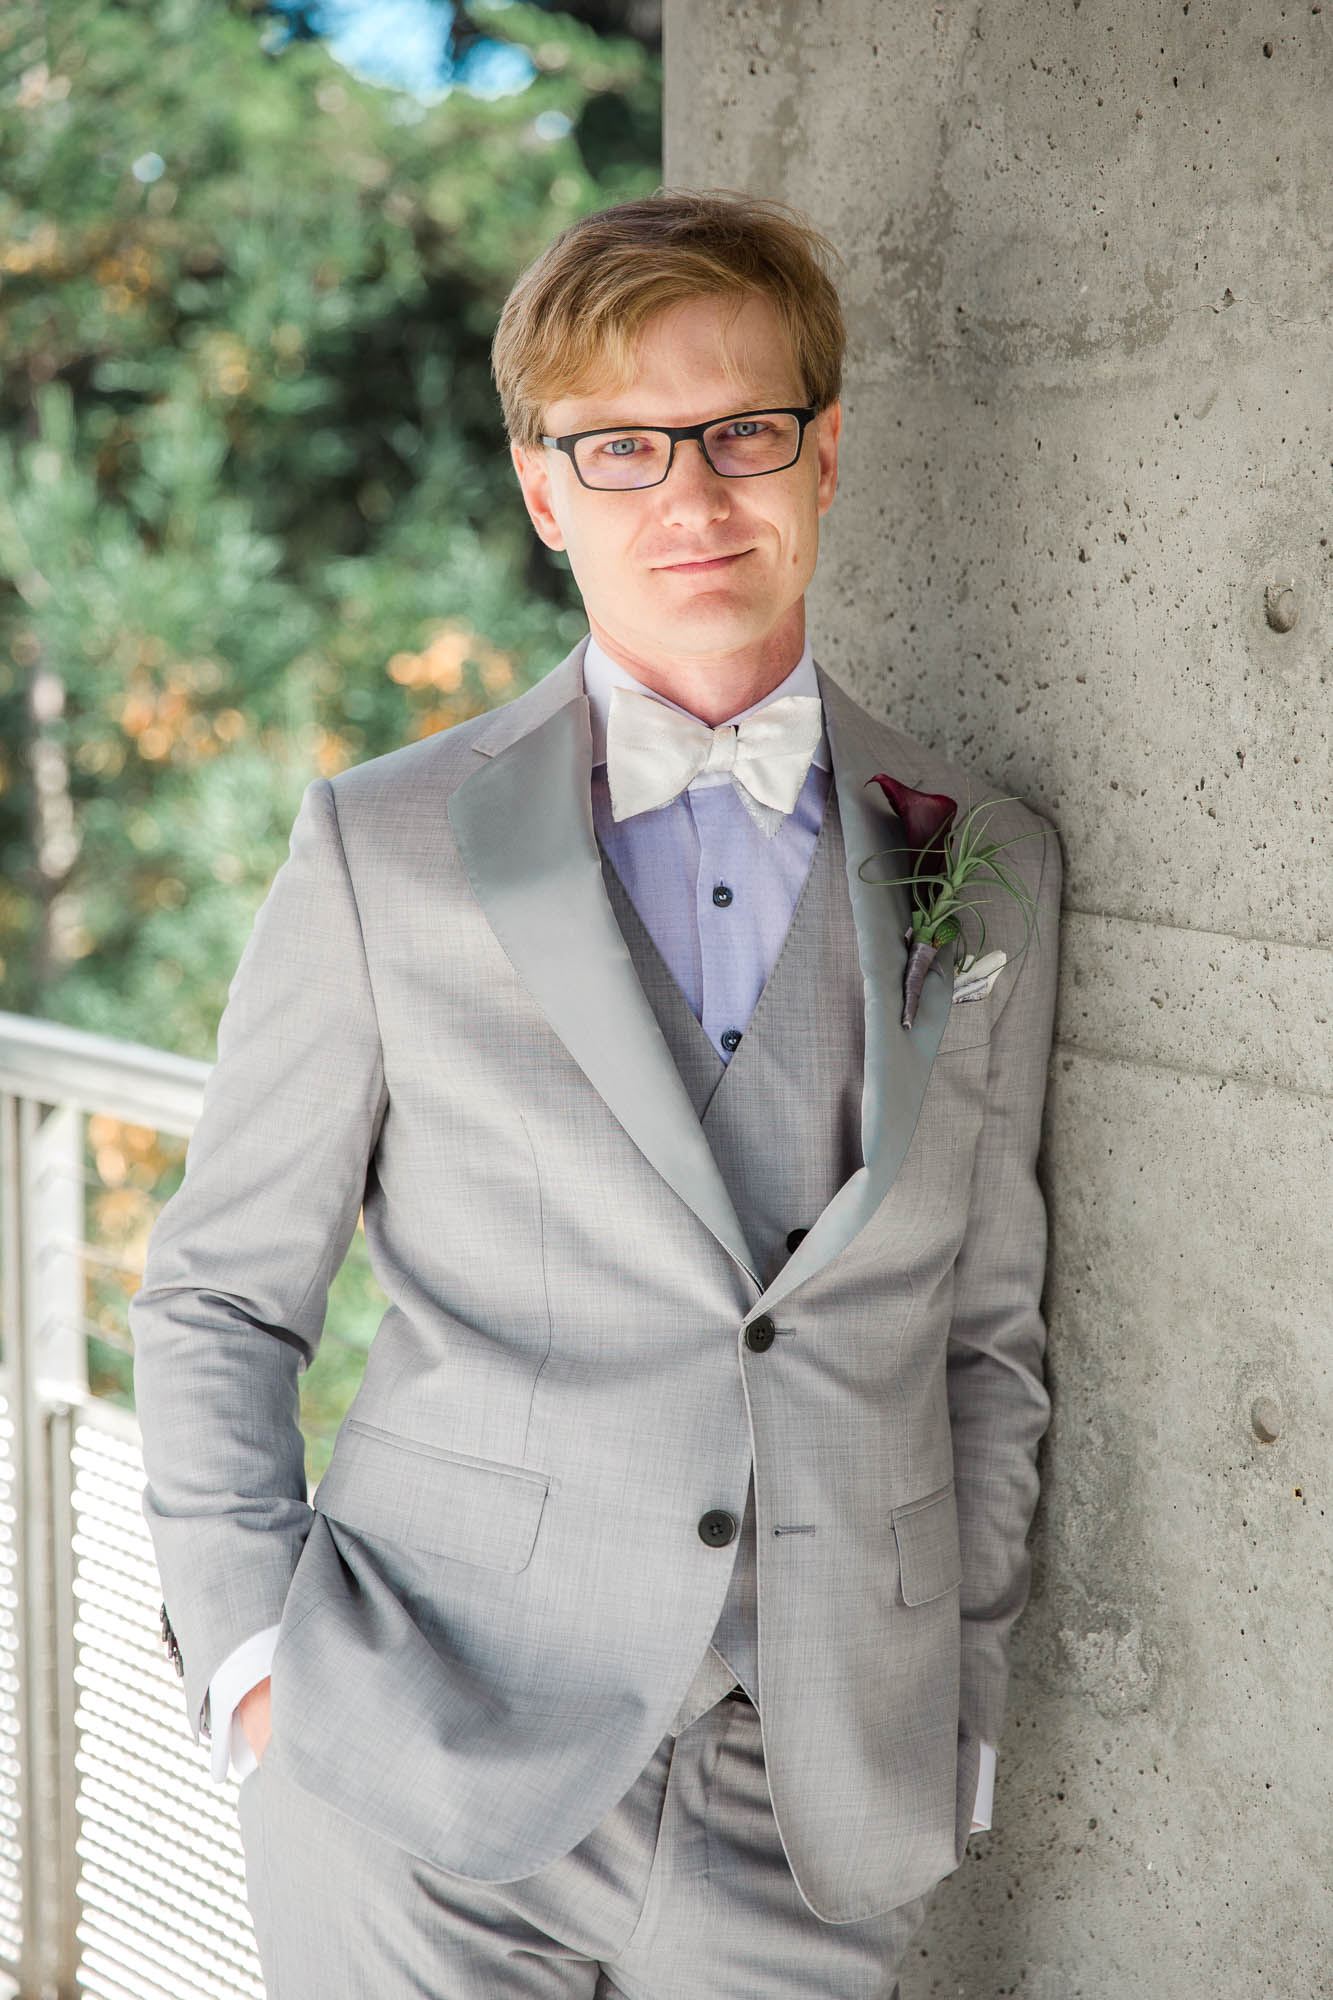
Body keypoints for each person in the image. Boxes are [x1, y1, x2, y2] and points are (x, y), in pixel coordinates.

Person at [132, 187, 1061, 1999]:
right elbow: (224, 1292)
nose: (693, 497)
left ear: (826, 454)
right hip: (416, 1765)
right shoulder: (383, 847)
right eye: (623, 449)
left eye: (740, 433)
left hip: (814, 1806)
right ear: (547, 493)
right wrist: (256, 1662)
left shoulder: (985, 861)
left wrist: (954, 1698)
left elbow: (989, 1338)